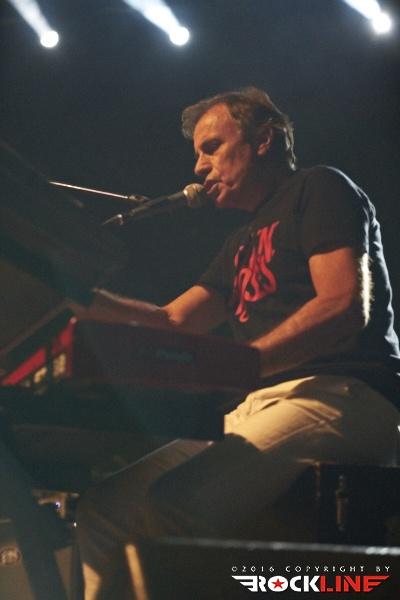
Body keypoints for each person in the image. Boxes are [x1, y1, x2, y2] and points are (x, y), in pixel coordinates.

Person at [73, 87, 400, 599]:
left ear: (263, 141)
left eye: (211, 147)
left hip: (342, 395)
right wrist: (73, 296)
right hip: (263, 403)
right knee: (104, 508)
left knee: (173, 505)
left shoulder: (319, 186)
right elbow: (172, 320)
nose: (199, 167)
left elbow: (342, 305)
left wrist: (241, 365)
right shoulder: (239, 242)